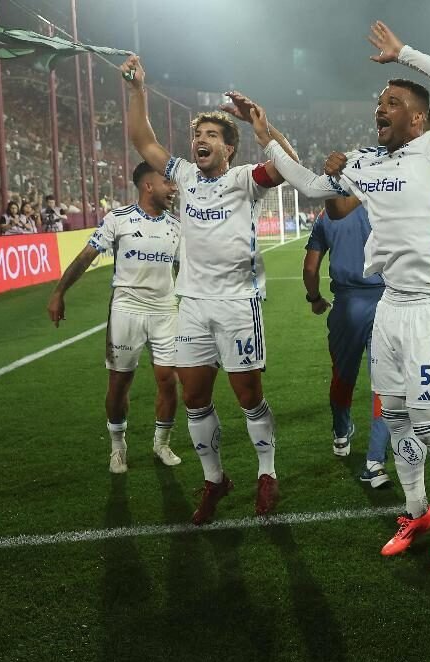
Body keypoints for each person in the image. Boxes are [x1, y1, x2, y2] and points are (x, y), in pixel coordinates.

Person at [256, 21, 430, 568]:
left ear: (419, 116)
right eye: (379, 103)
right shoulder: (367, 163)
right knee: (396, 416)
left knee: (429, 419)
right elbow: (311, 186)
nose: (381, 109)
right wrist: (265, 134)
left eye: (393, 102)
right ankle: (416, 510)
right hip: (391, 306)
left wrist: (404, 54)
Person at [121, 54, 299, 524]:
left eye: (211, 136)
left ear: (229, 148)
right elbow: (142, 139)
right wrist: (139, 88)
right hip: (194, 305)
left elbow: (292, 166)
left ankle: (267, 472)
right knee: (195, 396)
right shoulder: (182, 175)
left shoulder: (246, 179)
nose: (200, 140)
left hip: (239, 303)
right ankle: (215, 479)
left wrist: (265, 128)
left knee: (247, 396)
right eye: (197, 135)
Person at [46, 161, 183, 473]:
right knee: (120, 383)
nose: (174, 189)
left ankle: (161, 443)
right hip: (126, 311)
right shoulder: (117, 220)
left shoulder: (176, 226)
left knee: (168, 380)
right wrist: (58, 293)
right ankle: (118, 446)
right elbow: (85, 257)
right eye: (168, 183)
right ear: (148, 185)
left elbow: (182, 272)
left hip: (165, 311)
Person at [303, 206, 391, 488]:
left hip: (346, 307)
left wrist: (315, 298)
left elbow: (310, 269)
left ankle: (341, 433)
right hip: (386, 304)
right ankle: (375, 461)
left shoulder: (326, 215)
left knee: (342, 374)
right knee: (384, 384)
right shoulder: (382, 202)